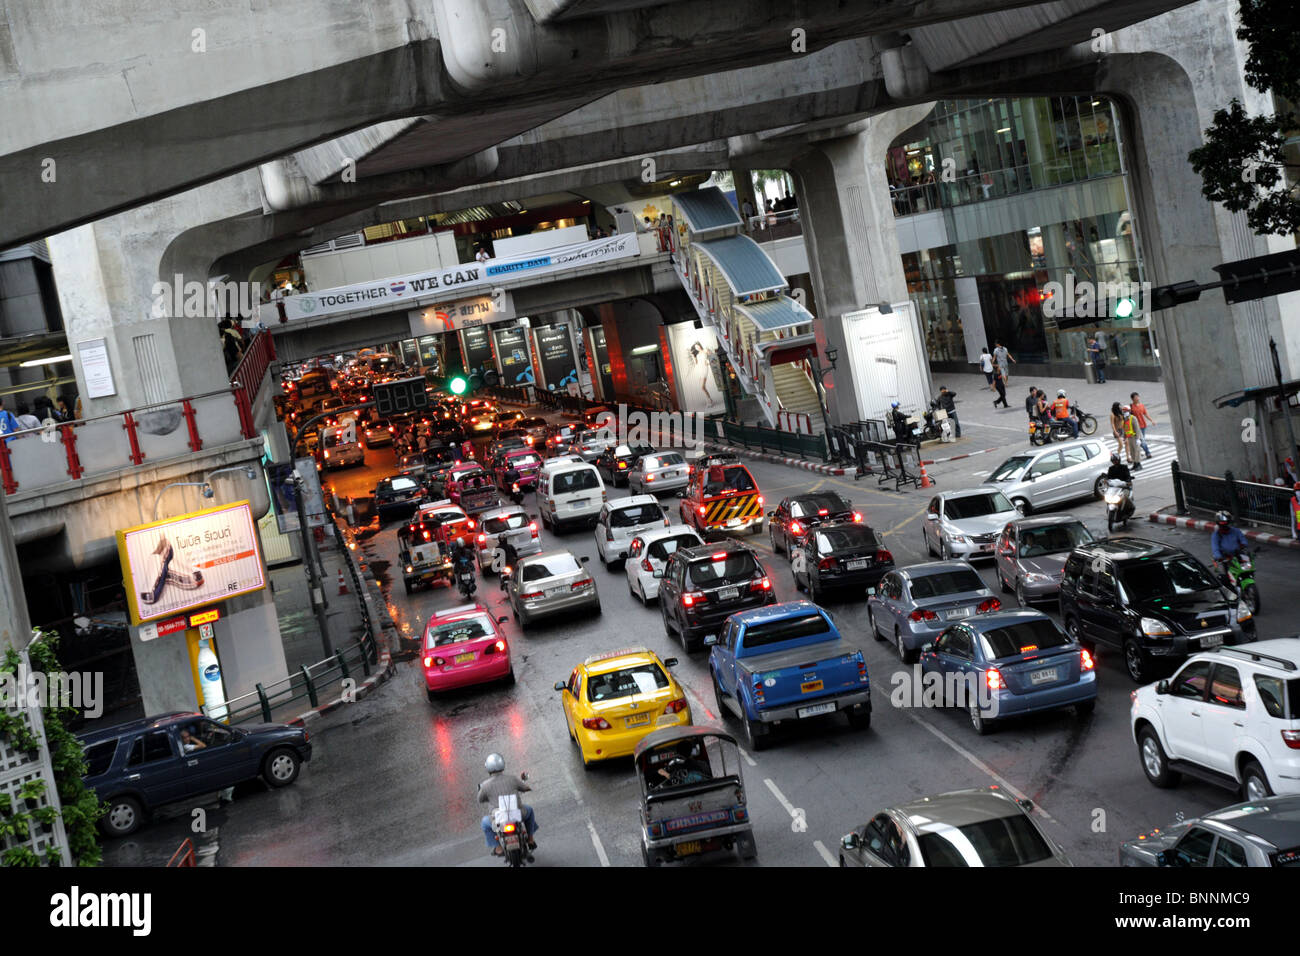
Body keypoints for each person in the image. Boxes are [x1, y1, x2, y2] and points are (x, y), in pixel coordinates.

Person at [477, 753, 536, 854]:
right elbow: (525, 787)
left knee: (484, 823)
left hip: (498, 819)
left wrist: (488, 797)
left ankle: (498, 848)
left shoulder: (485, 785)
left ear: (488, 767)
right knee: (529, 810)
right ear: (502, 764)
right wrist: (527, 788)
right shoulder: (512, 779)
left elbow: (480, 800)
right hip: (517, 814)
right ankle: (530, 839)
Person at [1129, 392, 1155, 460]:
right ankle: (1148, 452)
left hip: (1143, 425)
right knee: (1142, 440)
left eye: (1138, 396)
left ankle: (1141, 451)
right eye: (1135, 397)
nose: (1137, 398)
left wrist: (1151, 420)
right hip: (1136, 427)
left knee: (1141, 440)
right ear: (1132, 399)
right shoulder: (1131, 407)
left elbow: (1145, 414)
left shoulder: (1142, 405)